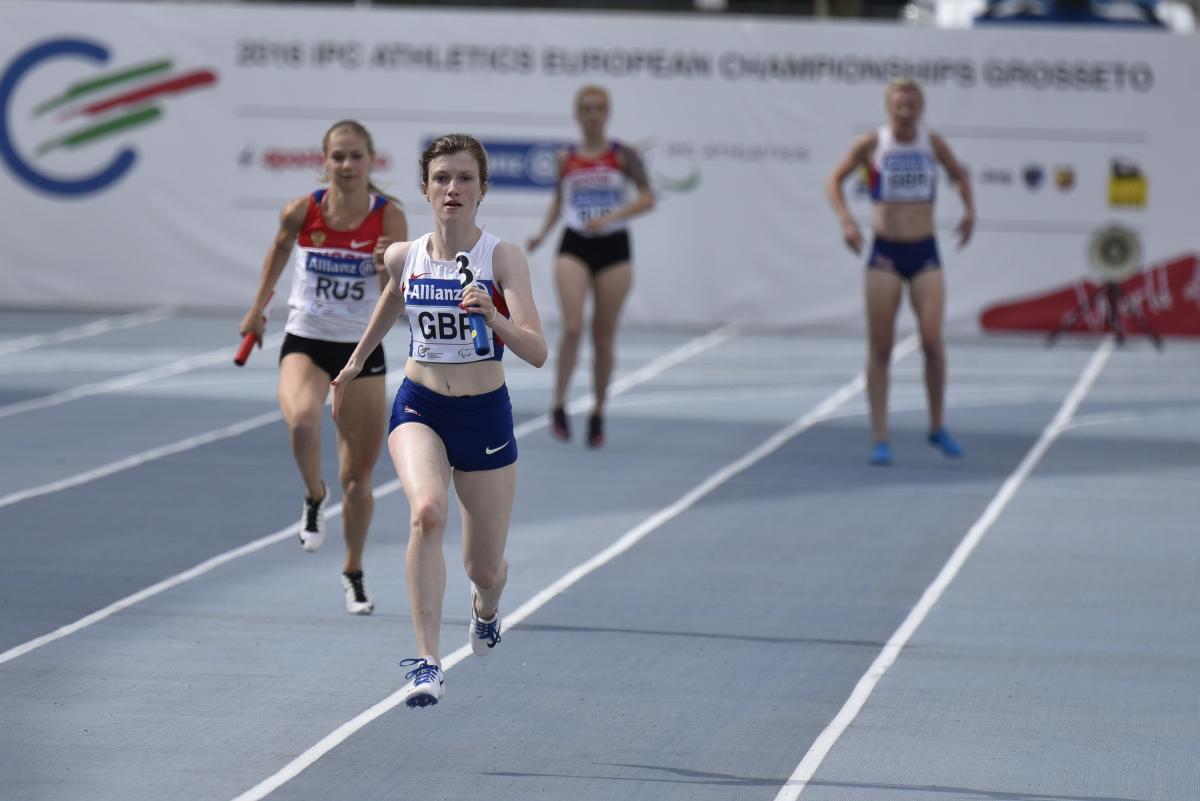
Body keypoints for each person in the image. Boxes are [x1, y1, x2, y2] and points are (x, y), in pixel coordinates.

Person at [331, 133, 547, 708]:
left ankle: (486, 611)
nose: (453, 188)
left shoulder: (502, 258)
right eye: (442, 178)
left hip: (483, 416)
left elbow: (537, 350)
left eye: (465, 179)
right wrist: (352, 366)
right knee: (427, 512)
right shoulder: (407, 255)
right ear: (425, 188)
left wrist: (493, 317)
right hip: (420, 405)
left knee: (485, 567)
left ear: (483, 190)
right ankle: (426, 662)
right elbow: (390, 305)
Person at [239, 120, 408, 613]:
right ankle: (314, 494)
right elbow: (278, 248)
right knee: (304, 422)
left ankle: (353, 570)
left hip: (361, 352)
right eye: (338, 157)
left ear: (371, 160)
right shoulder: (302, 210)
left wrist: (384, 267)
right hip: (306, 342)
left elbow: (396, 298)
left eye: (356, 156)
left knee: (358, 482)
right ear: (325, 161)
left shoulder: (390, 219)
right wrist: (257, 308)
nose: (347, 166)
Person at [825, 78, 975, 466]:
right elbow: (833, 181)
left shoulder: (932, 143)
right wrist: (846, 221)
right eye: (898, 106)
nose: (905, 113)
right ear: (888, 108)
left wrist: (969, 211)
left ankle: (937, 424)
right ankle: (880, 434)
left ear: (921, 108)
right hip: (886, 253)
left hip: (925, 251)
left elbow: (959, 174)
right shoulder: (873, 144)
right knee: (881, 346)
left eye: (911, 106)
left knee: (931, 340)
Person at [526, 85, 655, 448]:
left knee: (603, 335)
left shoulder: (623, 154)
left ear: (608, 113)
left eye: (599, 108)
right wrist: (541, 234)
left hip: (614, 246)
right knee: (571, 325)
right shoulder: (566, 157)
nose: (593, 114)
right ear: (578, 114)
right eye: (586, 108)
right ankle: (558, 403)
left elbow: (647, 198)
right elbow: (558, 200)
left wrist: (614, 215)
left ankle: (598, 410)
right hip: (575, 243)